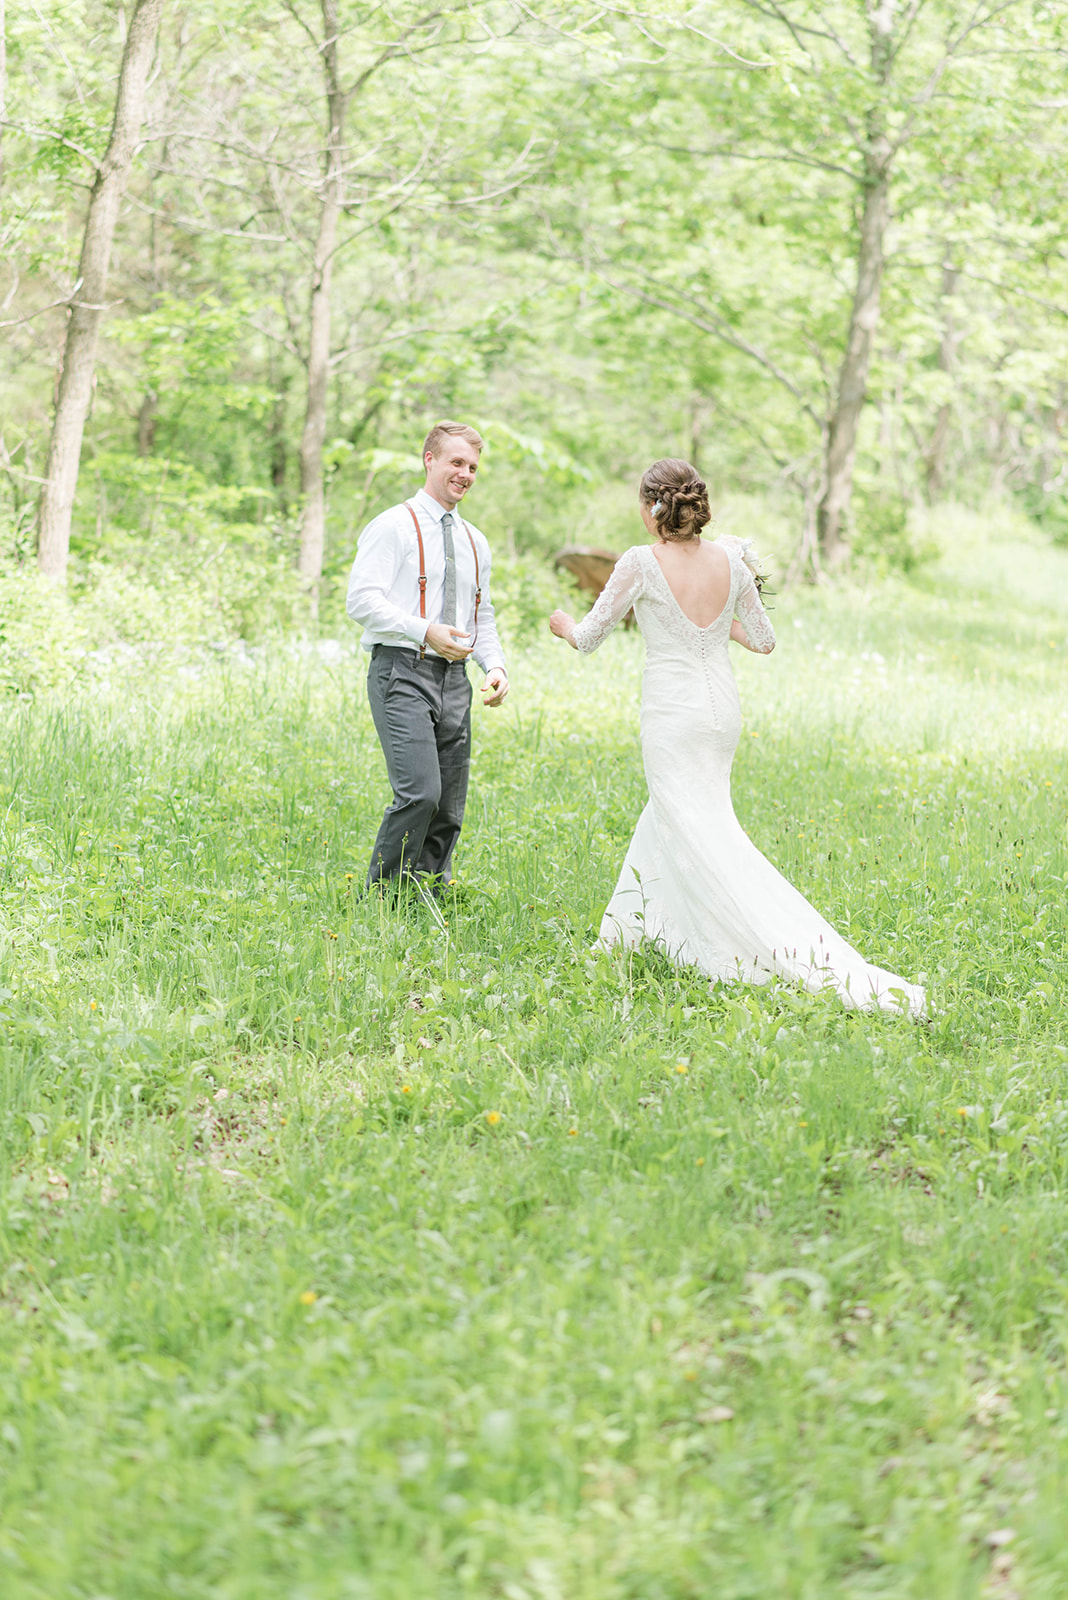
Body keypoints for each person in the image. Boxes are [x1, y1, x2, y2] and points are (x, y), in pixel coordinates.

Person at [549, 457, 926, 1018]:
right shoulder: (731, 559)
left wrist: (562, 625)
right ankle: (633, 929)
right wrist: (713, 617)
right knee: (681, 814)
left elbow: (588, 638)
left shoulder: (638, 563)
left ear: (653, 509)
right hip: (721, 709)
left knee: (701, 827)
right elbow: (764, 639)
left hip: (673, 713)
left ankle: (755, 941)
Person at [347, 421, 509, 893]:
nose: (466, 474)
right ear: (430, 459)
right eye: (457, 462)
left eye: (474, 467)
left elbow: (483, 614)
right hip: (402, 670)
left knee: (449, 807)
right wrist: (425, 631)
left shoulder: (476, 541)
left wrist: (494, 666)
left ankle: (428, 894)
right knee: (420, 793)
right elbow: (361, 600)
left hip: (455, 679)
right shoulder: (392, 525)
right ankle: (382, 899)